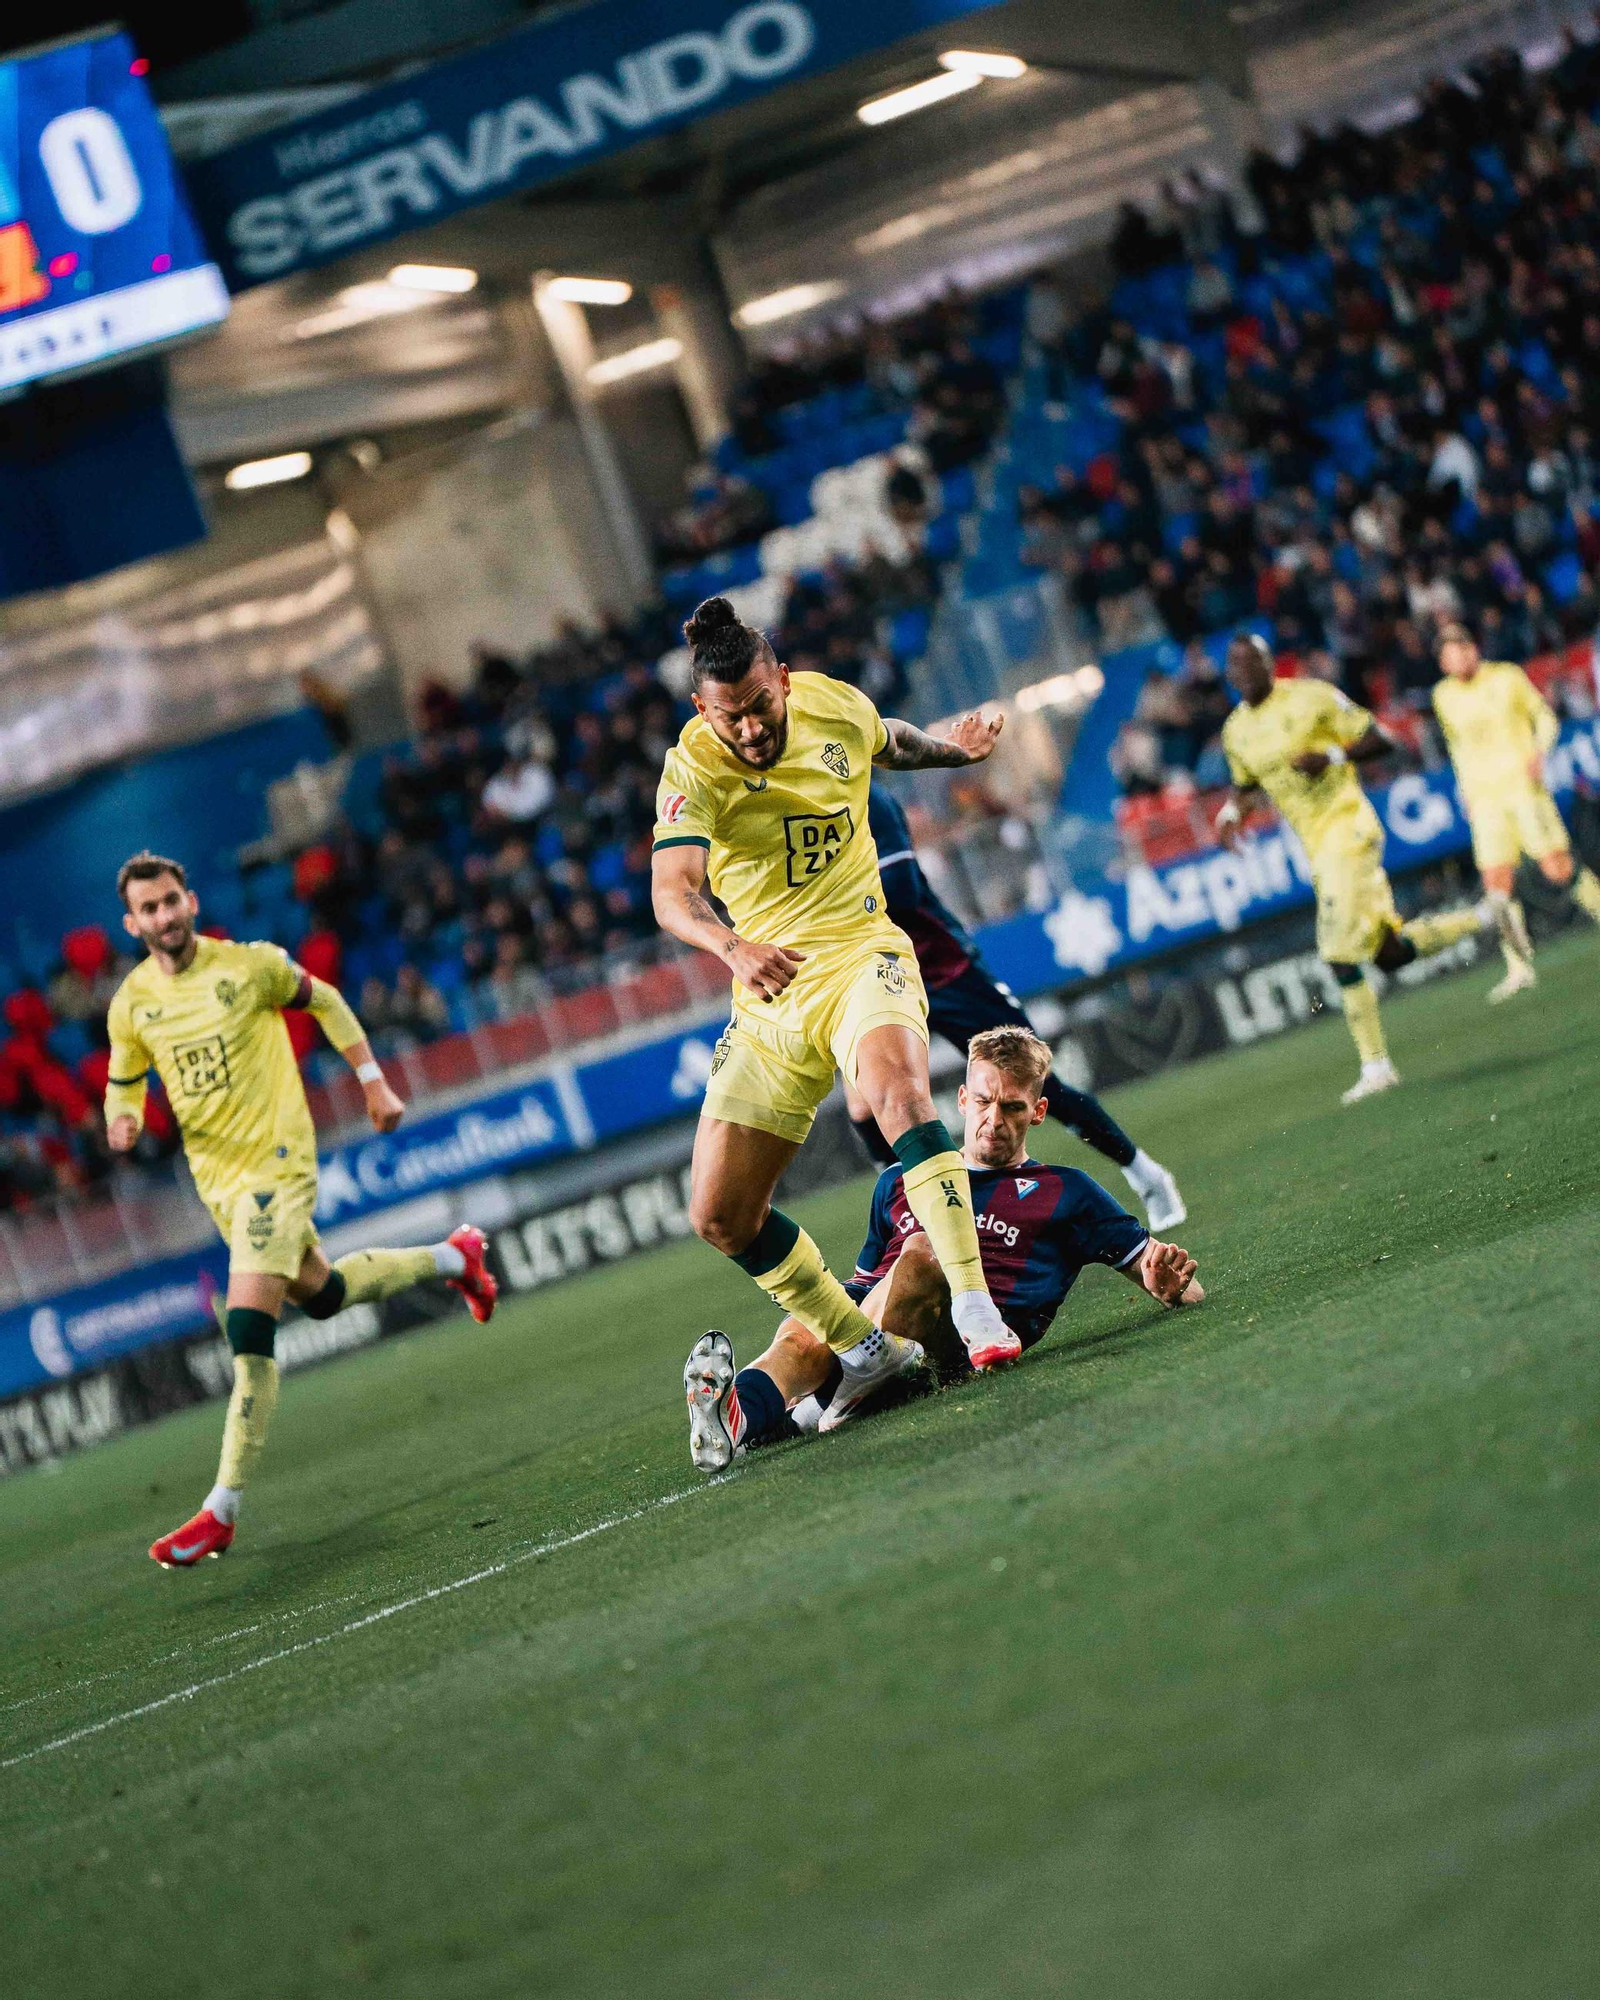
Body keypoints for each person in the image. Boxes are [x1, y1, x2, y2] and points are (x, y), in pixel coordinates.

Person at [651, 595, 1026, 1433]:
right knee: (719, 1216)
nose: (749, 730)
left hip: (861, 951)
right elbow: (670, 894)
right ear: (699, 711)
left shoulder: (830, 703)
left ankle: (974, 1307)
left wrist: (951, 752)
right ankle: (864, 1351)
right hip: (768, 990)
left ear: (783, 681)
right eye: (728, 718)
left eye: (760, 708)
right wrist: (732, 948)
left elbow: (890, 737)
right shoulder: (694, 769)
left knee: (899, 1097)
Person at [104, 853, 498, 1568]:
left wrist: (373, 1082)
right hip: (218, 1186)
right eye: (149, 910)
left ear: (191, 900)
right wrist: (122, 1118)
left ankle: (220, 1510)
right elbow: (124, 1078)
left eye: (171, 902)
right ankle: (455, 1258)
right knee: (324, 1296)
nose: (164, 917)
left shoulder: (250, 967)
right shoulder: (131, 1002)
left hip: (276, 1168)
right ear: (132, 924)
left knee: (250, 1330)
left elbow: (326, 1001)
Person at [684, 1026, 1201, 1469]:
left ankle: (815, 1408)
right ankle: (741, 1421)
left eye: (1012, 1107)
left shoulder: (1068, 1191)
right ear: (961, 1099)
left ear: (1039, 1111)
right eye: (982, 1101)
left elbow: (1181, 1285)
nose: (993, 1119)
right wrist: (826, 1316)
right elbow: (865, 1286)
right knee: (807, 1324)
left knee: (922, 1254)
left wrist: (1169, 1286)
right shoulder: (896, 1180)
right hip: (880, 1327)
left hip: (954, 1353)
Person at [848, 782, 1186, 1231]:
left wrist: (829, 904)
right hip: (872, 976)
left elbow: (902, 889)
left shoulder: (868, 797)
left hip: (942, 969)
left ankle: (1144, 1173)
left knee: (1036, 1083)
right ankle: (909, 1219)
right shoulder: (796, 805)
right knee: (866, 1107)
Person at [1213, 635, 1485, 1104]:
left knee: (1337, 952)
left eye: (1253, 662)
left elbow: (1384, 738)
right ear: (1230, 675)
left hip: (1349, 826)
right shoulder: (1235, 731)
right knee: (1388, 953)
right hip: (1316, 847)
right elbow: (1246, 785)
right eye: (1236, 666)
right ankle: (1486, 917)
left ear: (1269, 663)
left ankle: (1376, 1066)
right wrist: (1231, 813)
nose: (1246, 672)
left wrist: (1332, 755)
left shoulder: (1311, 696)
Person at [1431, 623, 1600, 1000]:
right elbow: (1457, 749)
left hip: (1523, 789)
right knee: (1496, 882)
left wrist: (1539, 751)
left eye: (1461, 648)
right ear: (1443, 663)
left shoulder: (1507, 677)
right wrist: (1466, 793)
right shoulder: (1443, 696)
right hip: (1485, 798)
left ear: (1473, 649)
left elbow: (1545, 717)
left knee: (1556, 868)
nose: (1457, 658)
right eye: (1448, 655)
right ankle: (1519, 965)